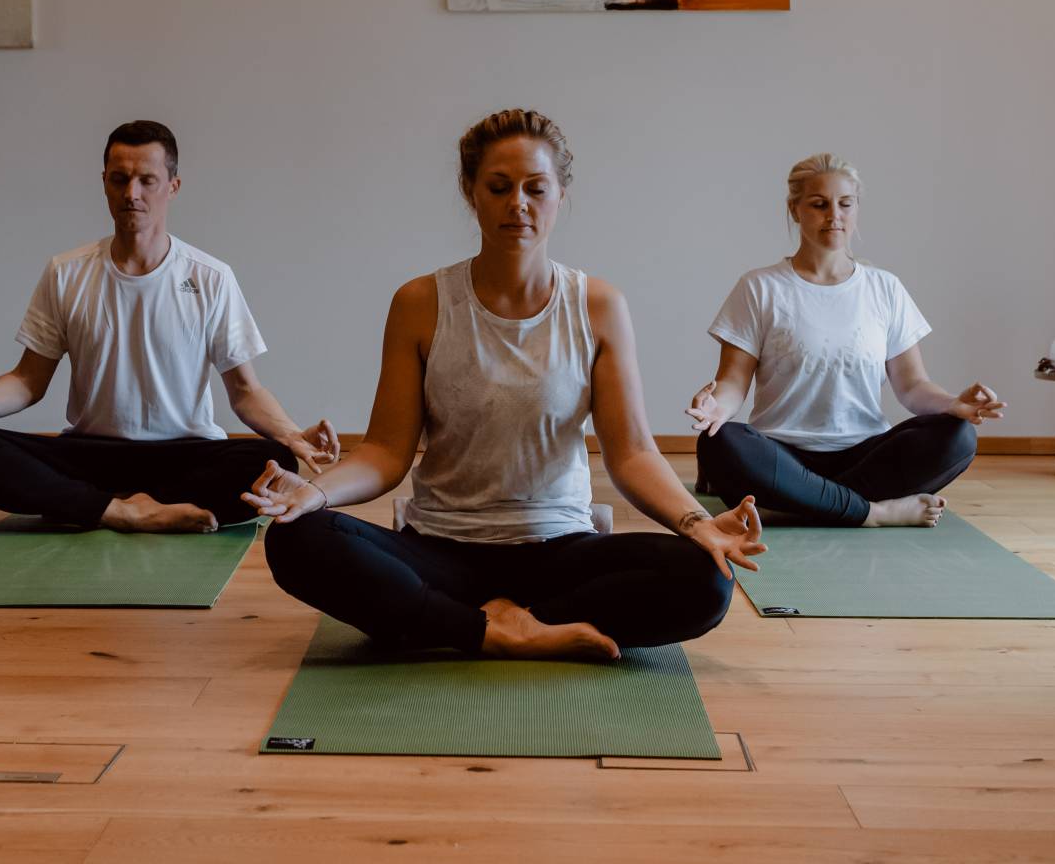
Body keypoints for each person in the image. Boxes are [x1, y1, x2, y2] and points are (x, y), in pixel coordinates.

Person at [243, 110, 765, 661]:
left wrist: (699, 523)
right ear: (471, 193)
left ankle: (474, 625)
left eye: (535, 189)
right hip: (443, 551)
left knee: (708, 578)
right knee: (297, 538)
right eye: (499, 187)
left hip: (559, 552)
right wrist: (313, 493)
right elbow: (385, 452)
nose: (518, 203)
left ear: (560, 195)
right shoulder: (420, 303)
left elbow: (632, 453)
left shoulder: (599, 307)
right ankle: (500, 632)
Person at [0, 119, 339, 533]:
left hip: (186, 454)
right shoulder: (67, 272)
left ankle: (95, 508)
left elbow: (244, 390)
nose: (131, 193)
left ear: (173, 186)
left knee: (273, 460)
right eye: (119, 180)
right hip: (89, 455)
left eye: (146, 180)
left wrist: (292, 433)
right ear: (104, 183)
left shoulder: (210, 277)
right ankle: (125, 512)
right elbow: (27, 380)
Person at [688, 153, 1002, 528]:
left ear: (856, 209)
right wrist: (716, 409)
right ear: (795, 210)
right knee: (718, 442)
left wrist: (954, 404)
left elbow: (913, 387)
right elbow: (733, 383)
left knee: (958, 437)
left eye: (845, 204)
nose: (833, 215)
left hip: (864, 455)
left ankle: (797, 506)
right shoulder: (759, 287)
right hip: (782, 454)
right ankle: (873, 512)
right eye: (819, 204)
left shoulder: (885, 287)